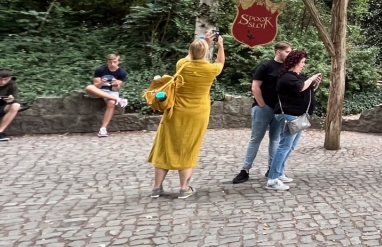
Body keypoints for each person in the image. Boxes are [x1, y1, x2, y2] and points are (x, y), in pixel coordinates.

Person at [147, 33, 225, 199]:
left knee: (165, 146)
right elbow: (220, 62)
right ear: (205, 52)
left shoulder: (182, 64)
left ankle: (156, 188)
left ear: (190, 50)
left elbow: (191, 56)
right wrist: (220, 45)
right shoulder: (211, 70)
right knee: (189, 146)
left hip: (175, 112)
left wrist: (203, 42)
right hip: (198, 113)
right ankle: (184, 188)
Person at [232, 41, 291, 184]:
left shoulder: (288, 68)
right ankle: (245, 170)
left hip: (279, 111)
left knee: (275, 139)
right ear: (278, 51)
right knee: (256, 139)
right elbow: (255, 86)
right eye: (287, 52)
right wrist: (262, 105)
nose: (289, 54)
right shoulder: (266, 66)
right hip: (262, 109)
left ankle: (272, 169)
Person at [266, 50, 321, 191]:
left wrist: (314, 85)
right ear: (295, 62)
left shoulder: (297, 77)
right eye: (302, 62)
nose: (304, 65)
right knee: (284, 146)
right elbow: (300, 87)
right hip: (290, 115)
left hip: (298, 116)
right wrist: (311, 79)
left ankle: (279, 172)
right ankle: (272, 179)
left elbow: (304, 91)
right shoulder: (286, 77)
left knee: (290, 146)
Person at [86, 53, 129, 137]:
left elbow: (115, 89)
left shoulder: (122, 73)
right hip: (99, 90)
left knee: (111, 103)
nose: (112, 64)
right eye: (110, 62)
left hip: (111, 92)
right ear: (107, 62)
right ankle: (119, 99)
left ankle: (103, 129)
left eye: (114, 62)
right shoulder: (100, 70)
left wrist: (115, 84)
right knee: (89, 87)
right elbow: (95, 86)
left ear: (118, 62)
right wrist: (102, 82)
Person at [0, 69, 20, 141]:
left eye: (5, 79)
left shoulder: (12, 85)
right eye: (0, 79)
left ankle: (0, 132)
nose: (2, 82)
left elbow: (16, 99)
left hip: (3, 106)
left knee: (16, 106)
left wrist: (12, 100)